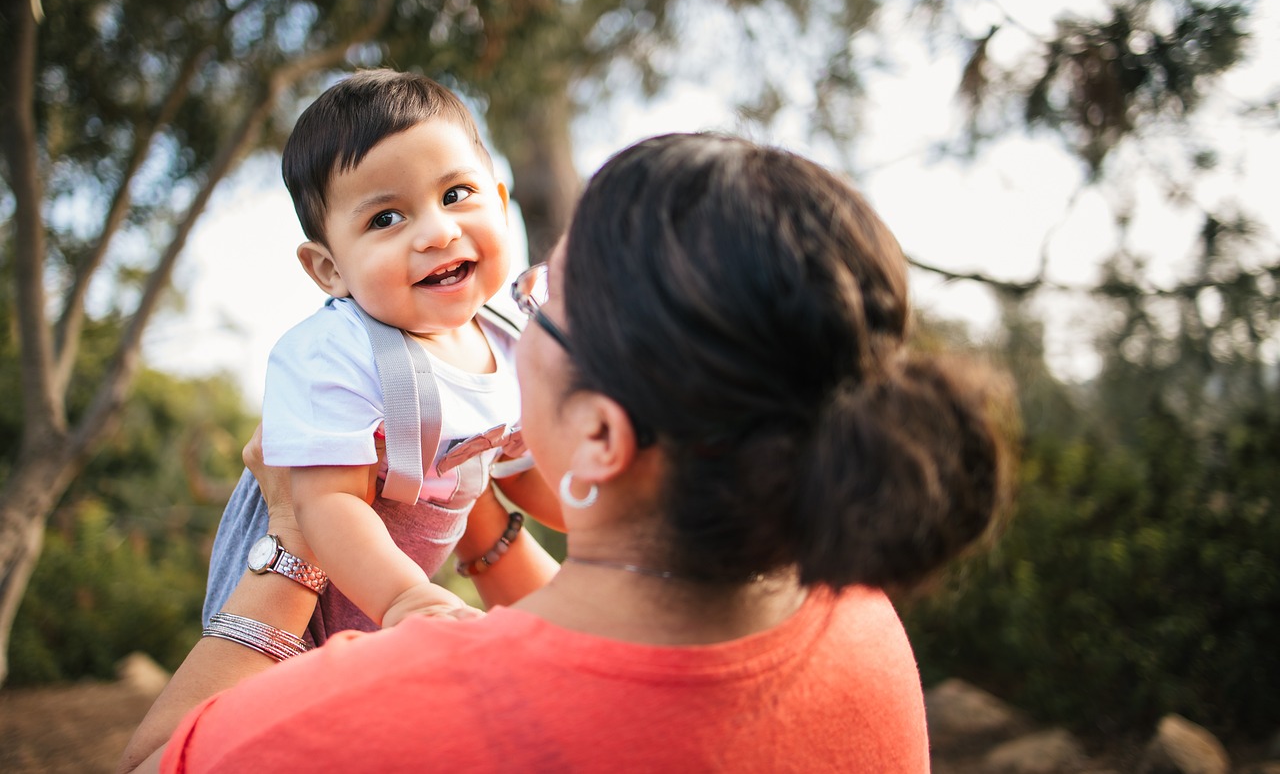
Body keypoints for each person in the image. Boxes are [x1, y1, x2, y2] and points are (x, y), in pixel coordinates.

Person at [119, 132, 1015, 773]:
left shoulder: (399, 712)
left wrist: (294, 536)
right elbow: (600, 644)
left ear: (599, 435)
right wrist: (478, 523)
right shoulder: (853, 611)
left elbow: (155, 759)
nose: (504, 314)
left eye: (538, 298)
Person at [204, 69, 562, 642]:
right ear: (330, 268)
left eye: (455, 194)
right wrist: (406, 598)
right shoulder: (336, 352)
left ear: (499, 201)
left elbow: (522, 472)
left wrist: (613, 525)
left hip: (379, 628)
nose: (438, 233)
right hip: (292, 622)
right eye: (386, 218)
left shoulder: (511, 341)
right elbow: (327, 504)